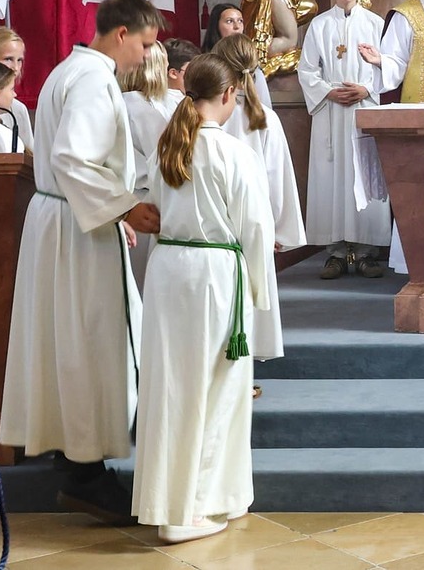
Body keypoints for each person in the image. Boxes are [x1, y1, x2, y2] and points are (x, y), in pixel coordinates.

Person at [0, 0, 166, 525]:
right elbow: (73, 157)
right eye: (144, 45)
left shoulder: (67, 69)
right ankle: (86, 474)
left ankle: (71, 455)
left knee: (63, 340)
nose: (145, 57)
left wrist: (112, 209)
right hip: (76, 228)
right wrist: (126, 206)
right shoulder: (94, 79)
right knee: (89, 342)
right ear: (122, 34)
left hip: (63, 219)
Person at [132, 54, 274, 543]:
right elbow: (255, 229)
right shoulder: (233, 152)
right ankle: (191, 510)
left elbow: (153, 209)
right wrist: (260, 295)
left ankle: (170, 501)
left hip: (168, 270)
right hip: (214, 274)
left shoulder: (168, 145)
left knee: (171, 387)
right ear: (229, 94)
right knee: (215, 389)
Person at [211, 33, 306, 359]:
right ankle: (246, 364)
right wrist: (278, 229)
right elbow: (277, 177)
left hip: (215, 220)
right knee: (252, 297)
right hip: (255, 222)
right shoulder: (265, 117)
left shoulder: (207, 117)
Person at [298, 0, 392, 279]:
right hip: (331, 110)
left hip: (364, 109)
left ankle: (366, 254)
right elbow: (307, 70)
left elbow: (390, 68)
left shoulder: (375, 24)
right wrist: (328, 91)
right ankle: (336, 254)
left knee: (363, 176)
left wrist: (367, 89)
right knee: (331, 177)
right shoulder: (319, 25)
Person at [120, 42, 180, 195]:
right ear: (155, 69)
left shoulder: (121, 102)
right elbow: (164, 162)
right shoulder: (141, 110)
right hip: (145, 195)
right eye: (165, 65)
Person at [203, 3, 272, 107]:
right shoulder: (205, 64)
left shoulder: (252, 66)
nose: (237, 26)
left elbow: (265, 107)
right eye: (229, 21)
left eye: (240, 21)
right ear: (216, 26)